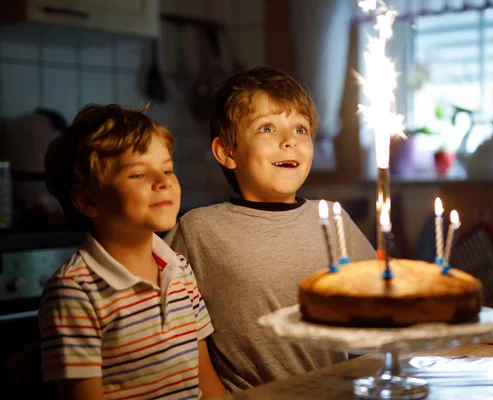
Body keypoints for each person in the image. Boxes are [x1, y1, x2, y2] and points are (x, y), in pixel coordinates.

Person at [165, 67, 377, 392]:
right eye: (267, 128)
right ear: (226, 152)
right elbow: (175, 326)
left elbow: (380, 306)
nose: (289, 141)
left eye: (301, 129)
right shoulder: (198, 230)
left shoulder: (334, 219)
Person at [39, 104, 227, 400]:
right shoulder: (74, 291)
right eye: (139, 174)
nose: (163, 181)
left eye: (167, 169)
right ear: (88, 200)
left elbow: (208, 386)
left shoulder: (179, 271)